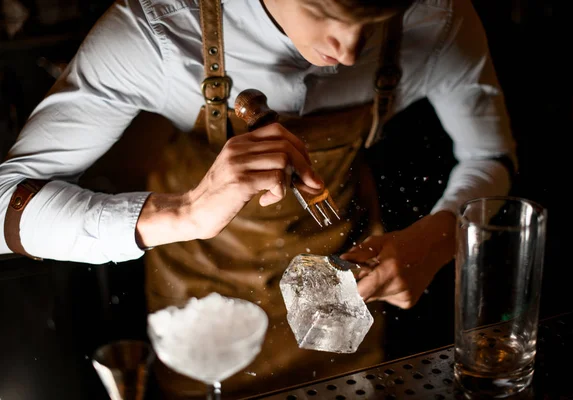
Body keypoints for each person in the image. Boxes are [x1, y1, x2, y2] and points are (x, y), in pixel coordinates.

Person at [0, 0, 516, 398]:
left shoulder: (438, 16)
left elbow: (493, 158)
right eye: (324, 13)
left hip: (345, 313)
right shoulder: (156, 29)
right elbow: (3, 206)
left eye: (377, 19)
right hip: (206, 318)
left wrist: (438, 237)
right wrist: (184, 212)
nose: (351, 50)